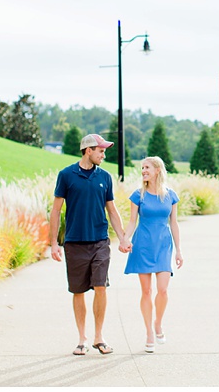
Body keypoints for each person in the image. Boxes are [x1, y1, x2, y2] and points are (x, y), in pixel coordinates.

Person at [49, 133, 129, 356]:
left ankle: (98, 337)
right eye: (101, 151)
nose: (104, 155)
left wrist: (122, 237)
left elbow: (112, 210)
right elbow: (55, 211)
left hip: (100, 242)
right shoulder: (66, 175)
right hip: (74, 243)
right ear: (88, 150)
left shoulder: (105, 177)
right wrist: (54, 243)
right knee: (78, 291)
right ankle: (82, 339)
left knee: (101, 286)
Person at [120, 156, 183, 353]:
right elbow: (131, 221)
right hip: (143, 245)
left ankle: (158, 323)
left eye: (147, 167)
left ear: (157, 169)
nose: (143, 171)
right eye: (142, 168)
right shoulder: (138, 195)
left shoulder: (170, 195)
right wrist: (125, 238)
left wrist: (179, 250)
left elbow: (174, 223)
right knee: (146, 291)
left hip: (164, 245)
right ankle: (148, 332)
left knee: (163, 290)